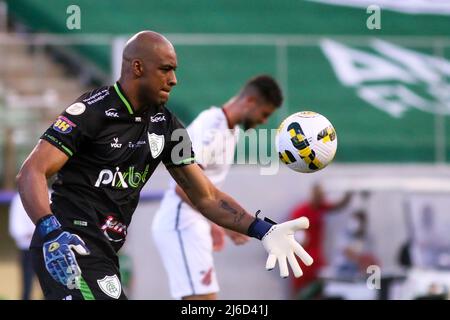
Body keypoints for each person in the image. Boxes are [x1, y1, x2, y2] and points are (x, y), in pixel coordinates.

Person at [16, 30, 313, 300]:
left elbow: (206, 196)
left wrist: (263, 230)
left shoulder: (167, 126)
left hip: (105, 252)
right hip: (71, 246)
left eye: (174, 70)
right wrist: (50, 232)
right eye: (166, 69)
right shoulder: (92, 110)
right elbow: (32, 171)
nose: (174, 80)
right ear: (137, 68)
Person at [152, 75, 283, 300]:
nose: (263, 122)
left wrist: (214, 224)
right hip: (181, 223)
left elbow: (203, 185)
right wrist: (227, 223)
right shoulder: (211, 127)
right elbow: (182, 187)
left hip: (193, 221)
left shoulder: (230, 129)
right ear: (250, 101)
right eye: (265, 114)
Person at [289, 183, 352, 299]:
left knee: (320, 290)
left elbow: (338, 205)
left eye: (322, 196)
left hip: (317, 258)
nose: (321, 198)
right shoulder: (301, 211)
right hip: (303, 260)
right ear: (313, 195)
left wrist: (349, 194)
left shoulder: (321, 207)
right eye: (319, 195)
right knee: (300, 291)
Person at [8, 192, 37, 300]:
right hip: (27, 248)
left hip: (48, 248)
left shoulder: (50, 194)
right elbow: (15, 228)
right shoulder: (18, 199)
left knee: (51, 285)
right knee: (27, 284)